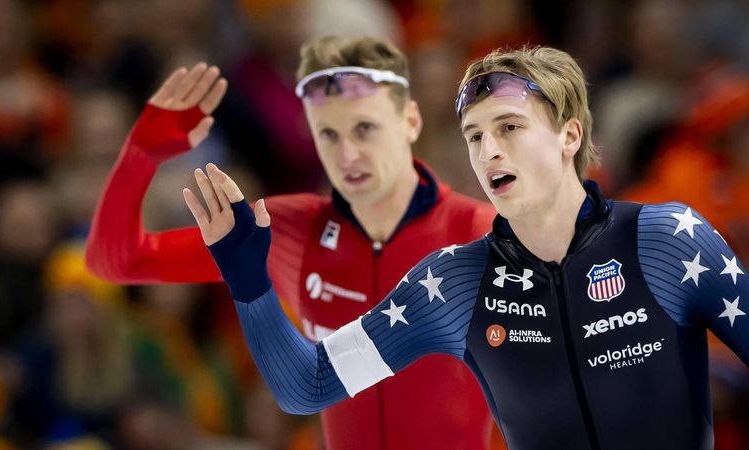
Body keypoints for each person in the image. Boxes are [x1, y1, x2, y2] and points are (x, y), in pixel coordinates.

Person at [189, 45, 749, 450]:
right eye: (475, 136)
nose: (489, 151)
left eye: (509, 127)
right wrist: (248, 279)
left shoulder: (665, 240)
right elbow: (306, 386)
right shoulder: (455, 284)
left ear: (569, 135)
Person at [85, 36, 498, 449]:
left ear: (410, 121)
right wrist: (141, 155)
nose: (347, 154)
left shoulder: (480, 232)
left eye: (365, 128)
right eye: (328, 134)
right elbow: (118, 263)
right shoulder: (289, 231)